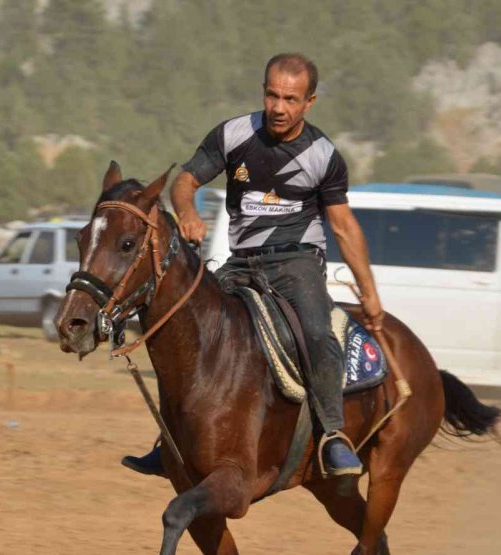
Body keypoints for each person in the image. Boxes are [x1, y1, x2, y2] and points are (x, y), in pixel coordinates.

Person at [123, 53, 384, 478]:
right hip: (241, 262)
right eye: (272, 95)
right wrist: (187, 212)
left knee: (316, 330)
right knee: (190, 323)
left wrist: (369, 294)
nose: (279, 107)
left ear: (310, 102)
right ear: (263, 91)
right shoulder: (233, 135)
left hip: (297, 262)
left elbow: (343, 225)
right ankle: (171, 438)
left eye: (291, 99)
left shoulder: (323, 155)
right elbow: (185, 181)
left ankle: (333, 434)